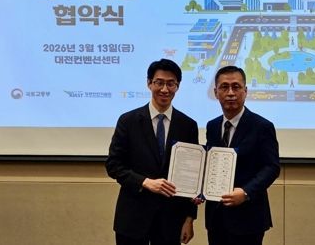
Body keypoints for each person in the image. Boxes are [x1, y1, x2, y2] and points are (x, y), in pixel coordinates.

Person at [106, 59, 199, 245]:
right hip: (133, 218)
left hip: (171, 220)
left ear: (177, 86)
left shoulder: (188, 125)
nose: (165, 89)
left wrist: (189, 219)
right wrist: (145, 182)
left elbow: (192, 176)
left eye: (171, 83)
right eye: (159, 82)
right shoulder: (128, 121)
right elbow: (113, 165)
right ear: (149, 83)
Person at [205, 65, 280, 245]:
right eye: (224, 87)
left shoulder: (262, 126)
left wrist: (246, 192)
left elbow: (271, 167)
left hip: (248, 217)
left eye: (236, 87)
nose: (230, 93)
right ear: (216, 93)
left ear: (245, 91)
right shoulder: (212, 126)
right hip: (216, 217)